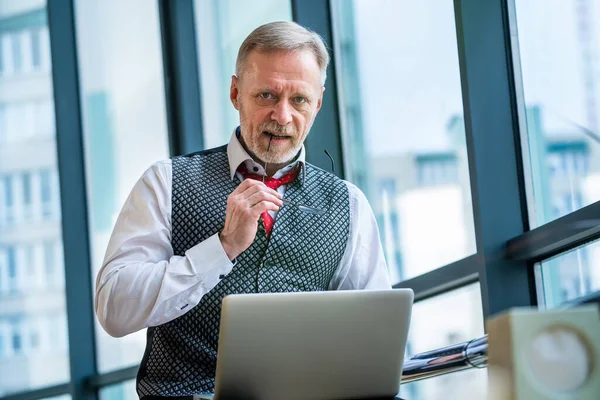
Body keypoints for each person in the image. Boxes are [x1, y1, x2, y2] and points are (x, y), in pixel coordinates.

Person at [95, 21, 391, 398]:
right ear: (236, 93)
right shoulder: (166, 182)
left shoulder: (349, 205)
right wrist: (221, 248)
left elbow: (373, 337)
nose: (282, 116)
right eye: (266, 95)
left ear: (318, 103)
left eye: (298, 99)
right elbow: (114, 308)